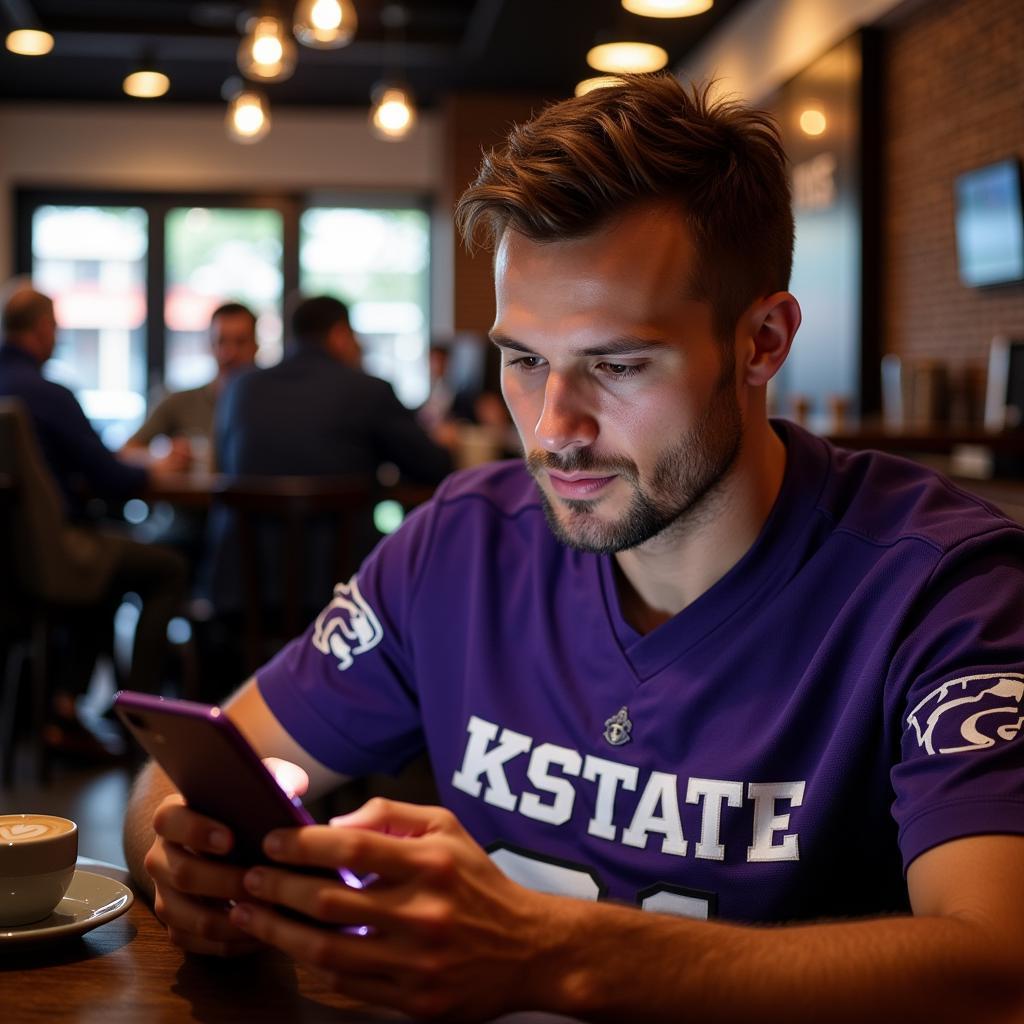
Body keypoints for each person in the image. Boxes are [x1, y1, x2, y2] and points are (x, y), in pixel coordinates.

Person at [124, 76, 1024, 1023]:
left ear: (762, 342)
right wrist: (182, 856)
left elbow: (1000, 968)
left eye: (618, 364)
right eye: (524, 362)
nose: (554, 429)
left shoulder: (943, 591)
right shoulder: (460, 543)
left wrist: (549, 954)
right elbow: (184, 772)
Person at [0, 283, 188, 750]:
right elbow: (111, 476)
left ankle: (64, 709)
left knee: (107, 571)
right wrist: (157, 467)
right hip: (54, 554)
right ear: (44, 328)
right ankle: (140, 722)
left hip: (8, 563)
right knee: (167, 568)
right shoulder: (44, 393)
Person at [206, 294, 452, 616]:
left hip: (241, 590)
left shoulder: (240, 388)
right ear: (339, 335)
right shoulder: (367, 390)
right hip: (345, 598)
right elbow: (434, 467)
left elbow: (223, 463)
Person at [122, 301, 259, 470]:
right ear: (210, 345)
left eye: (240, 342)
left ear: (255, 346)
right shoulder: (180, 401)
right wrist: (161, 456)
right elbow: (126, 451)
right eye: (221, 341)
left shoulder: (274, 405)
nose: (230, 353)